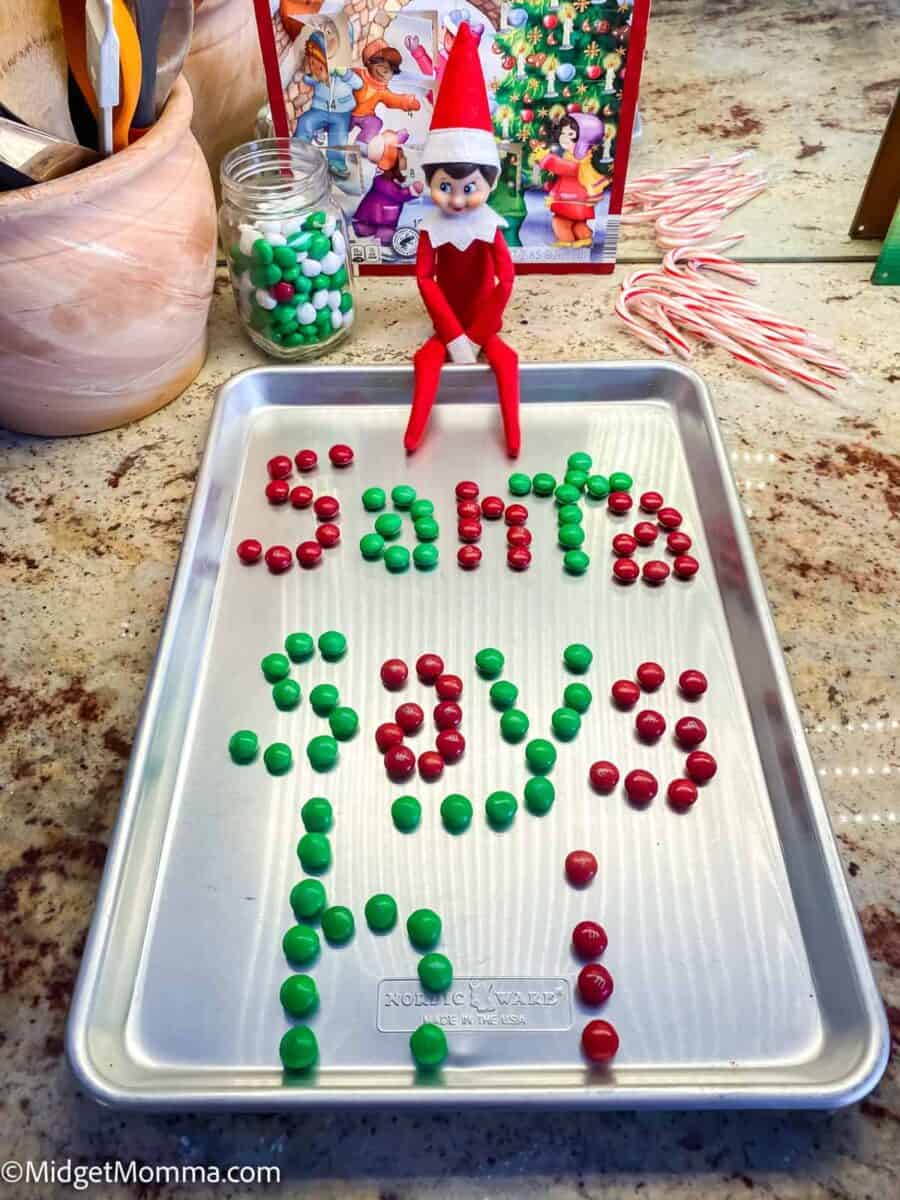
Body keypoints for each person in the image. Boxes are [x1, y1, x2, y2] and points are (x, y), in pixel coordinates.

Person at [405, 23, 519, 457]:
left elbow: (505, 282)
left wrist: (477, 334)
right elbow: (425, 279)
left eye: (468, 188)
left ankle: (513, 438)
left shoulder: (489, 226)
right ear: (429, 181)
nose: (455, 199)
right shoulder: (431, 229)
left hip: (482, 322)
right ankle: (414, 436)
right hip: (447, 324)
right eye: (444, 187)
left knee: (506, 364)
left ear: (488, 183)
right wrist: (452, 336)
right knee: (426, 362)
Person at [294, 30, 361, 177]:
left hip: (341, 112)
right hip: (319, 108)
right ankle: (299, 153)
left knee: (339, 136)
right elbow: (308, 80)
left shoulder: (346, 73)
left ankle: (336, 162)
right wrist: (313, 74)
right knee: (305, 122)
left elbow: (358, 84)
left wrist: (345, 74)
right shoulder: (320, 71)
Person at [539, 112, 610, 247]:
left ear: (583, 139)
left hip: (572, 200)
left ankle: (566, 241)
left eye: (570, 135)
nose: (564, 138)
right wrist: (551, 187)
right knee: (578, 223)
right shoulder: (574, 157)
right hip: (576, 201)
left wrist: (546, 159)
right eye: (563, 133)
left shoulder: (580, 163)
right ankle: (584, 238)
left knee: (560, 221)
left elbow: (564, 168)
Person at [353, 132, 424, 246]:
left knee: (380, 227)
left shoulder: (389, 180)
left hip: (380, 213)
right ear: (393, 161)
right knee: (383, 231)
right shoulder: (383, 181)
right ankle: (370, 229)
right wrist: (412, 190)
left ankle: (370, 229)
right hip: (379, 214)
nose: (405, 159)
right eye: (402, 157)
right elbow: (397, 195)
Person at [351, 41, 421, 146]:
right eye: (382, 67)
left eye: (391, 70)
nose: (386, 73)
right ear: (369, 62)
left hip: (366, 116)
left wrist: (408, 101)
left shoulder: (381, 89)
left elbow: (393, 99)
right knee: (339, 122)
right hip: (347, 112)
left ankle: (362, 143)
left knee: (376, 123)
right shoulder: (357, 74)